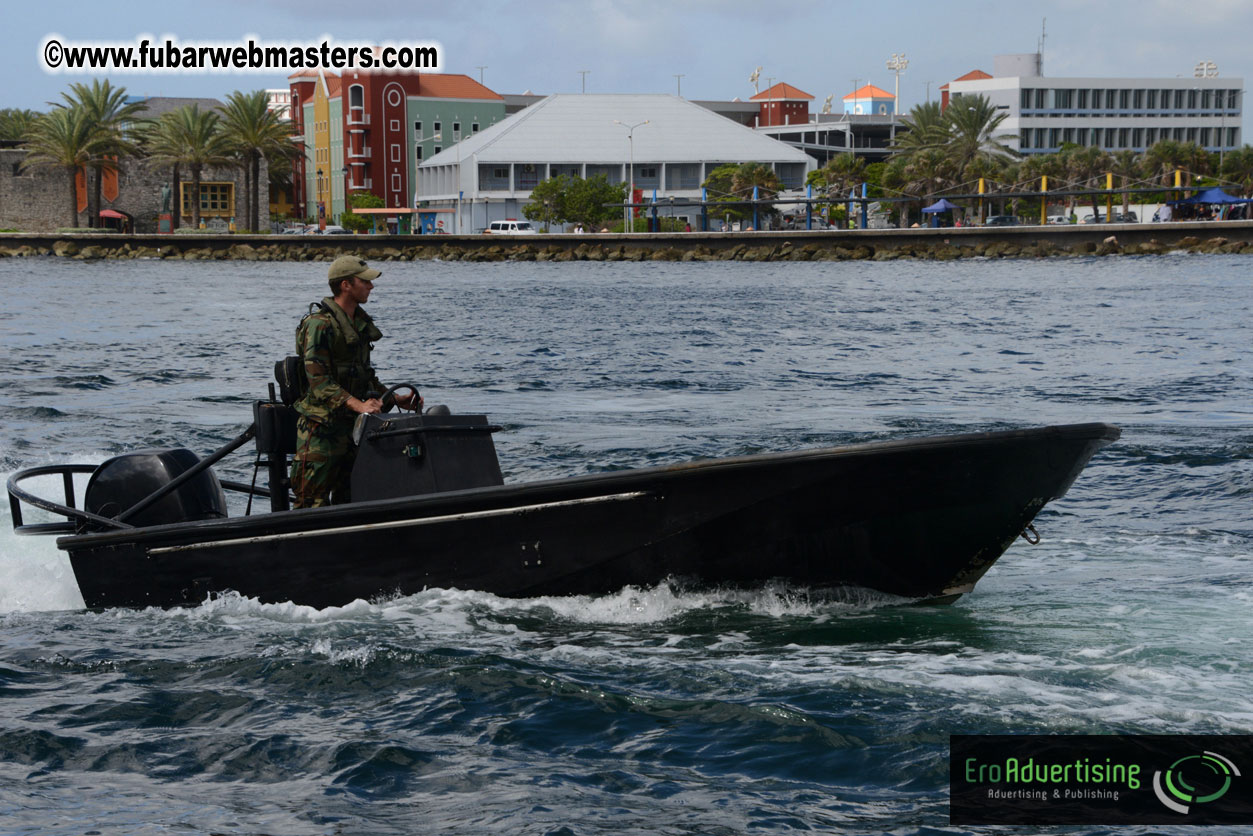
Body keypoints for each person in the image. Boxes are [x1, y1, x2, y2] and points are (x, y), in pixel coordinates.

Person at [290, 255, 418, 508]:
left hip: (354, 429)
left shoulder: (357, 324)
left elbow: (364, 375)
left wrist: (393, 398)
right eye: (365, 281)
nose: (371, 286)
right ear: (346, 285)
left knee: (353, 498)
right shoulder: (319, 325)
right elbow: (318, 380)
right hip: (322, 428)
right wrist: (358, 405)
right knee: (310, 503)